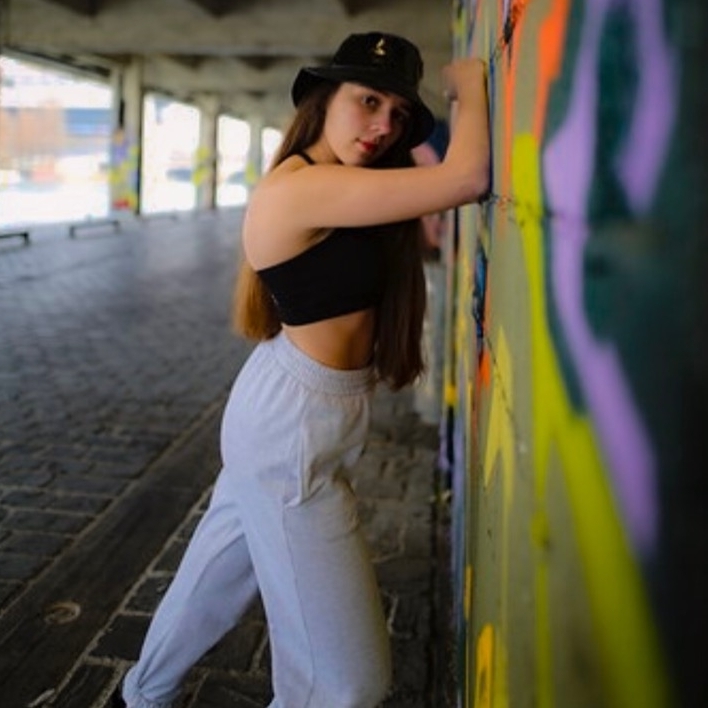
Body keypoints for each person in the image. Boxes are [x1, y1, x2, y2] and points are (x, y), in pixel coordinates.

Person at [116, 31, 489, 708]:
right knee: (346, 681)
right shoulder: (306, 186)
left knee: (211, 579)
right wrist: (471, 87)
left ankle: (141, 695)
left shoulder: (334, 182)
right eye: (368, 101)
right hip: (291, 426)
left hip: (290, 408)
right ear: (323, 99)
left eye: (399, 114)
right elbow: (466, 179)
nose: (383, 125)